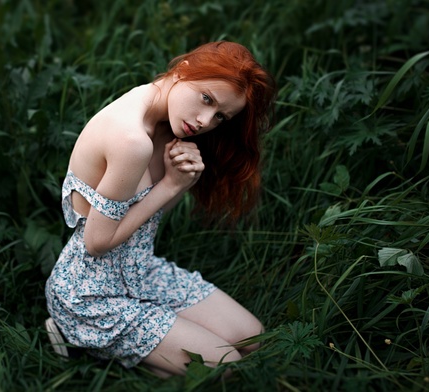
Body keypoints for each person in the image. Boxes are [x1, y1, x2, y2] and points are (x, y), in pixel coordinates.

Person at [44, 41, 277, 377]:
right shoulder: (131, 140)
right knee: (225, 365)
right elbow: (96, 242)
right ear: (184, 70)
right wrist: (171, 185)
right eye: (207, 99)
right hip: (89, 295)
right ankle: (75, 334)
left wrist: (182, 181)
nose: (205, 121)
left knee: (255, 338)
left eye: (220, 116)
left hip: (140, 271)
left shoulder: (169, 120)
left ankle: (154, 346)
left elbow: (149, 216)